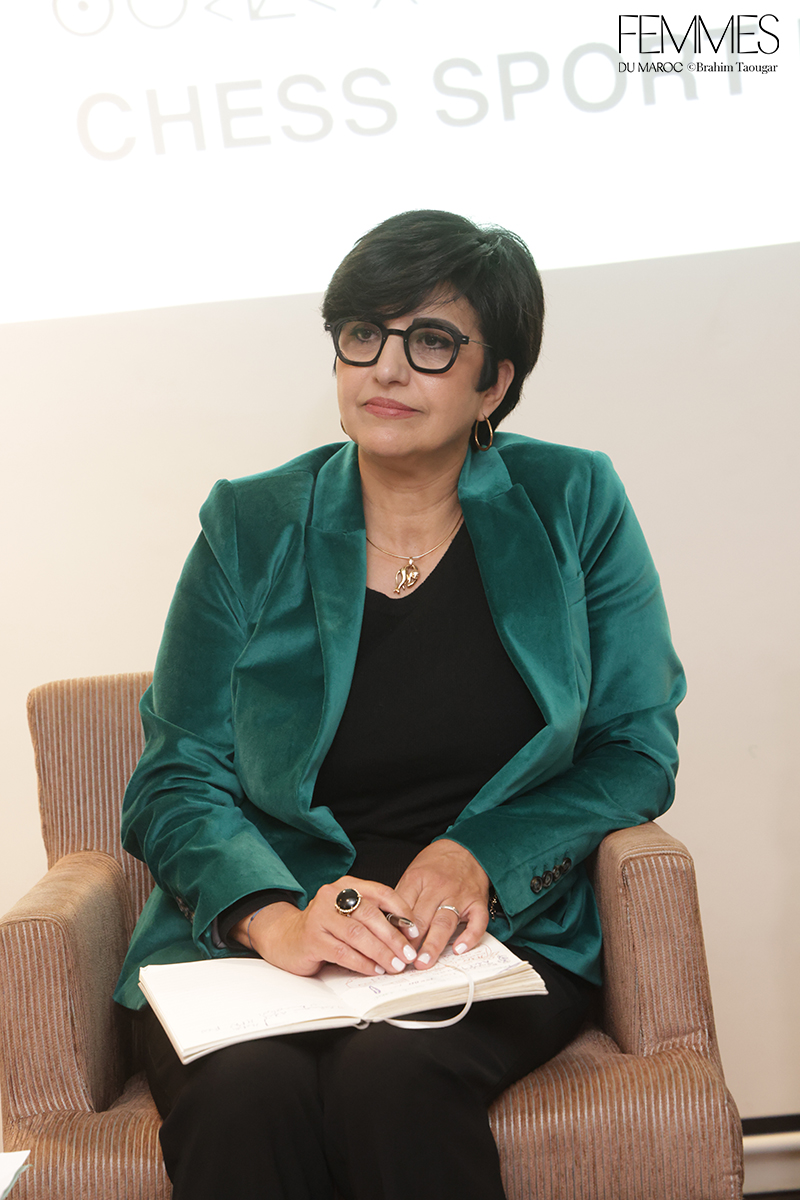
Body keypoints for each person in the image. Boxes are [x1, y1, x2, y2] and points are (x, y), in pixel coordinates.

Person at [114, 209, 685, 1200]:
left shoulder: (573, 500)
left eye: (431, 342)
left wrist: (480, 856)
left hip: (486, 933)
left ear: (492, 382)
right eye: (362, 334)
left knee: (392, 1080)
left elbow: (634, 746)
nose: (386, 367)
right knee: (246, 1097)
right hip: (280, 927)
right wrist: (269, 917)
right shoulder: (249, 522)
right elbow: (175, 776)